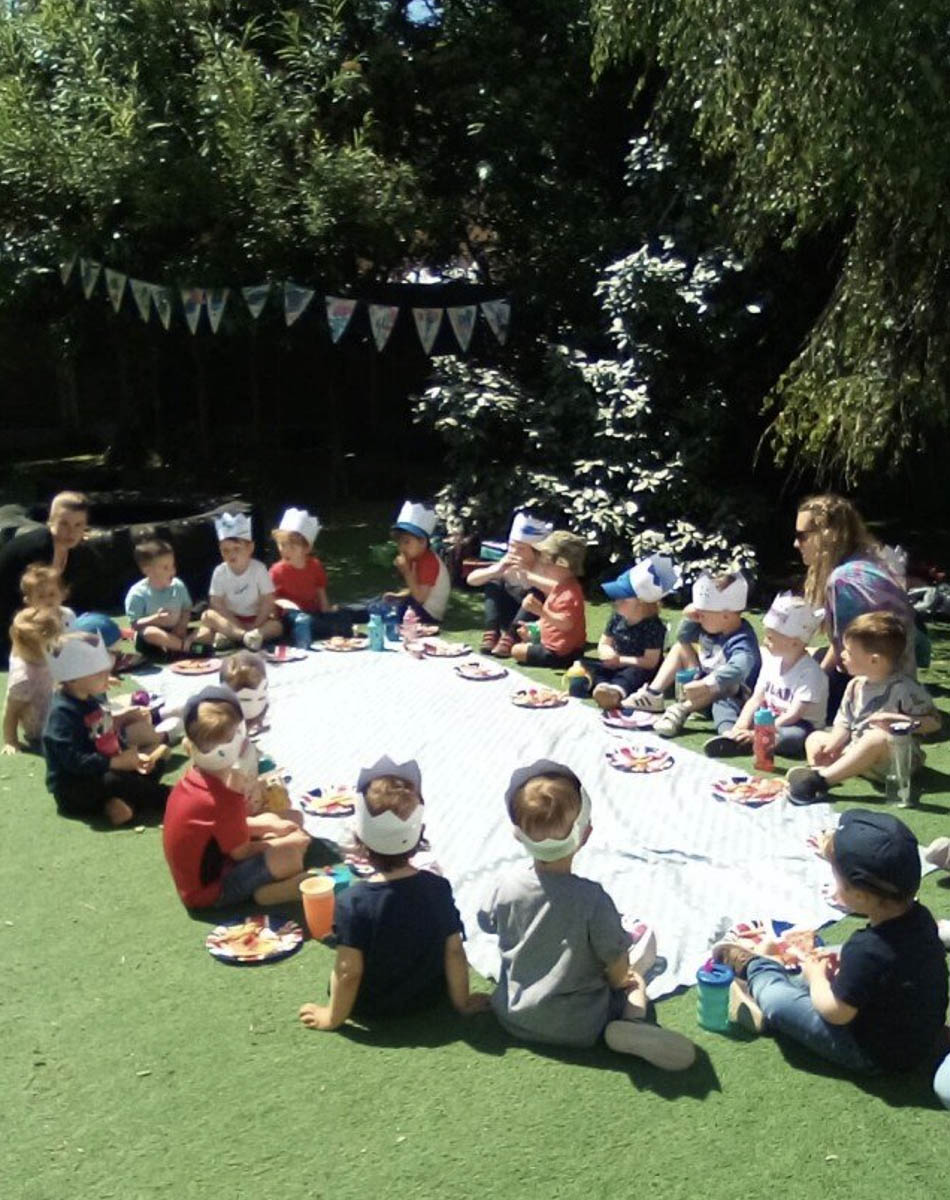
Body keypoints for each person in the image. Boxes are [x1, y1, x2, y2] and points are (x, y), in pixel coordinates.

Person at [476, 760, 695, 1068]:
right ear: (586, 834)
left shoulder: (505, 886)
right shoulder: (592, 899)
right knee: (633, 983)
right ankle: (635, 1025)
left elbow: (487, 923)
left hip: (512, 1015)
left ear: (517, 835)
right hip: (582, 1025)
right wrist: (624, 979)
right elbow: (615, 963)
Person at [713, 809, 948, 1083]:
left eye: (838, 880)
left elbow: (835, 1013)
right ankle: (772, 983)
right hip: (919, 1035)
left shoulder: (868, 949)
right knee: (832, 955)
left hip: (870, 1052)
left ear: (859, 895)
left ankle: (757, 970)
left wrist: (817, 979)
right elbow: (887, 973)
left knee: (779, 1000)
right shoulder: (922, 919)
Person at [299, 756, 487, 1029]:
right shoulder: (437, 887)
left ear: (360, 842)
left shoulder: (352, 901)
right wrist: (463, 1002)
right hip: (430, 998)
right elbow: (455, 951)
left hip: (371, 1007)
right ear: (418, 834)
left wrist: (332, 1017)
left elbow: (349, 971)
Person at [162, 686, 311, 908]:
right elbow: (241, 852)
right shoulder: (224, 798)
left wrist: (267, 827)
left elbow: (217, 827)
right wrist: (277, 842)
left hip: (213, 859)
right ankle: (270, 893)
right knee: (292, 851)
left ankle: (276, 858)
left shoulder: (196, 775)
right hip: (210, 892)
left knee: (291, 819)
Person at [786, 611, 940, 805]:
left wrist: (904, 722)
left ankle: (822, 781)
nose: (842, 655)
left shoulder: (904, 688)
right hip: (858, 752)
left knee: (876, 737)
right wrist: (833, 743)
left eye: (849, 652)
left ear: (874, 660)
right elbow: (844, 722)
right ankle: (820, 771)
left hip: (895, 762)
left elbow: (934, 722)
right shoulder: (855, 686)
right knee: (816, 737)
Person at [795, 494, 917, 718]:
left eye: (802, 536)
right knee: (808, 662)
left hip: (873, 690)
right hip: (902, 681)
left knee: (795, 678)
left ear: (827, 535)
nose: (796, 543)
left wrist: (816, 680)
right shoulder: (866, 563)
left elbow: (848, 654)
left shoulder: (844, 580)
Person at [42, 631, 168, 826]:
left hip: (102, 770)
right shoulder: (62, 714)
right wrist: (114, 763)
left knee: (146, 768)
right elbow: (73, 760)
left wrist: (130, 756)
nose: (107, 677)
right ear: (73, 678)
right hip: (74, 787)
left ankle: (116, 805)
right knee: (116, 780)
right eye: (99, 673)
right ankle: (169, 797)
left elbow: (108, 734)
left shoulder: (93, 697)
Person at [624, 572, 761, 739]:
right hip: (700, 688)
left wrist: (707, 683)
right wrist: (690, 619)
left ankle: (693, 715)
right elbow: (683, 638)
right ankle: (653, 693)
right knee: (679, 648)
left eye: (702, 614)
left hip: (731, 698)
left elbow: (739, 669)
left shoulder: (742, 639)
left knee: (725, 691)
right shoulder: (710, 626)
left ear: (726, 615)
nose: (699, 618)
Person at [705, 592, 827, 759]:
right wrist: (741, 725)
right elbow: (756, 698)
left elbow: (793, 714)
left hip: (794, 724)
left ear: (794, 641)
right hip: (765, 717)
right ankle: (730, 736)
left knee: (793, 736)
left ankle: (755, 740)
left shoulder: (810, 673)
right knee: (724, 701)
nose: (765, 642)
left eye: (770, 638)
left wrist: (760, 731)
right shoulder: (771, 661)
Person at [0, 491, 94, 662]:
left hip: (37, 620)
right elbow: (26, 604)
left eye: (78, 525)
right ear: (50, 521)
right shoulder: (36, 549)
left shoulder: (78, 553)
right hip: (11, 625)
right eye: (64, 524)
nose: (71, 532)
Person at [591, 555, 677, 709]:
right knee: (591, 666)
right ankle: (600, 686)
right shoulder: (617, 617)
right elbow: (604, 643)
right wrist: (607, 653)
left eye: (623, 600)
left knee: (634, 674)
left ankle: (615, 692)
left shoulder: (653, 627)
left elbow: (650, 662)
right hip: (615, 662)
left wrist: (621, 660)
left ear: (641, 603)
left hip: (638, 666)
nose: (616, 603)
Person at [466, 511, 553, 657]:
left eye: (521, 548)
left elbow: (556, 592)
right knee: (493, 582)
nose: (514, 552)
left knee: (535, 594)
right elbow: (471, 580)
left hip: (531, 619)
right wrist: (497, 570)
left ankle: (511, 638)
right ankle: (491, 631)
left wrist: (528, 575)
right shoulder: (507, 559)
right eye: (512, 546)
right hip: (508, 612)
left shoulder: (545, 567)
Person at [193, 512, 283, 651]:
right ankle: (244, 637)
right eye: (226, 550)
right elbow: (216, 602)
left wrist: (257, 624)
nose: (231, 554)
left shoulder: (259, 569)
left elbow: (267, 599)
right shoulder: (220, 571)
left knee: (276, 626)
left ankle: (242, 636)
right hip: (231, 619)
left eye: (236, 549)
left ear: (250, 548)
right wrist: (236, 624)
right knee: (208, 616)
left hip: (256, 619)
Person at [269, 506, 354, 642]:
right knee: (305, 622)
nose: (286, 551)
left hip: (313, 612)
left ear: (306, 548)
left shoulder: (315, 566)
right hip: (290, 616)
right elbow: (271, 599)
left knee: (342, 614)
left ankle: (337, 628)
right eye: (282, 545)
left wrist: (328, 611)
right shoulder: (276, 571)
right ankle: (332, 630)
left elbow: (321, 595)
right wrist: (277, 615)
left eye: (292, 546)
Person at [509, 530, 588, 669]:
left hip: (560, 653)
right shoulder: (563, 586)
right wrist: (535, 628)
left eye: (547, 561)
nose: (543, 566)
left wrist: (540, 611)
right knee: (523, 640)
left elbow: (566, 624)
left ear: (562, 564)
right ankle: (535, 640)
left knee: (516, 650)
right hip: (562, 646)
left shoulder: (569, 593)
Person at [2, 607, 61, 754]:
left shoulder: (47, 653)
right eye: (49, 645)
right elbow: (11, 712)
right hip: (40, 725)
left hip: (52, 702)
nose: (55, 647)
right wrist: (11, 740)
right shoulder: (23, 678)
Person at [384, 501, 451, 625]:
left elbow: (420, 598)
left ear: (422, 542)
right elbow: (416, 588)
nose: (402, 548)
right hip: (419, 604)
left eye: (407, 542)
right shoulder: (417, 558)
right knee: (385, 605)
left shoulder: (429, 562)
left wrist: (407, 571)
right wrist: (399, 595)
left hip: (429, 613)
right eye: (399, 543)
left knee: (397, 613)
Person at [125, 538, 194, 655]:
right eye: (165, 567)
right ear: (147, 570)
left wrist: (182, 626)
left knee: (205, 629)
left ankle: (177, 646)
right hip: (152, 637)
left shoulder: (178, 585)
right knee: (150, 633)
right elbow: (134, 624)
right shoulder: (137, 593)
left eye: (173, 565)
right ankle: (188, 648)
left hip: (176, 631)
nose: (172, 570)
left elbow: (186, 608)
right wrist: (155, 618)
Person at [18, 564, 77, 631]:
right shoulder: (31, 623)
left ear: (62, 594)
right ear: (29, 601)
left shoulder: (68, 614)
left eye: (52, 594)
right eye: (41, 597)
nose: (47, 600)